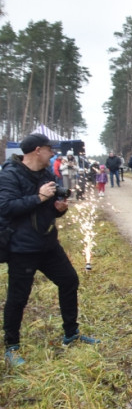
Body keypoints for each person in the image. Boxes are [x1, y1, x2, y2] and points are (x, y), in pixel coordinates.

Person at [1, 133, 99, 367]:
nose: (53, 153)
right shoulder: (10, 175)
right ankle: (11, 348)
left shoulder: (46, 173)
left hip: (47, 244)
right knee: (18, 297)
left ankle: (71, 334)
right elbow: (5, 207)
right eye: (49, 149)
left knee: (69, 281)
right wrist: (39, 197)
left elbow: (49, 208)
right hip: (22, 247)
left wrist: (59, 208)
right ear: (37, 150)